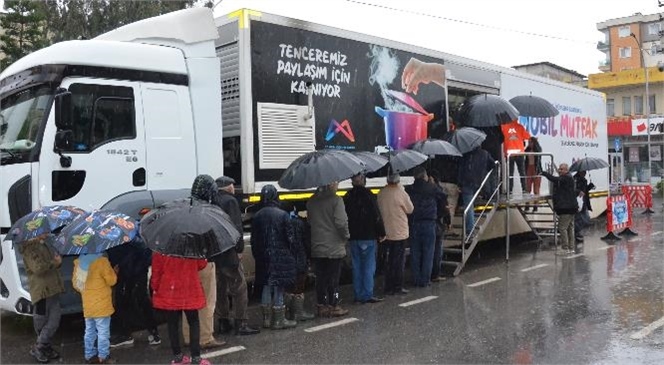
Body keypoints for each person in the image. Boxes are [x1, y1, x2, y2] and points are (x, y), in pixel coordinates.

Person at [211, 176, 260, 336]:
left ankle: (223, 321)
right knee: (239, 287)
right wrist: (239, 249)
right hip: (229, 251)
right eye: (232, 184)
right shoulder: (230, 202)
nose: (234, 187)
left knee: (221, 288)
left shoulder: (212, 200)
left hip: (216, 252)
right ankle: (241, 322)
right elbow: (236, 226)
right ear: (227, 187)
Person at [183, 175, 226, 349]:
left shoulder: (185, 208)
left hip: (186, 261)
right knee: (207, 301)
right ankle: (206, 337)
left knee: (188, 302)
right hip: (204, 261)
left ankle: (188, 336)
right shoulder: (208, 210)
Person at [251, 184, 298, 329]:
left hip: (263, 256)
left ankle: (266, 318)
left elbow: (254, 240)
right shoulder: (282, 214)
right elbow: (290, 238)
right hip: (280, 256)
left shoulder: (257, 216)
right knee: (278, 286)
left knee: (266, 284)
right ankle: (278, 319)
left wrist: (257, 254)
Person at [151, 252, 210, 365]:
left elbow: (156, 270)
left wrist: (155, 287)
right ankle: (196, 357)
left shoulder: (161, 248)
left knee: (172, 324)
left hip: (170, 290)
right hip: (189, 288)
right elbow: (201, 265)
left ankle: (178, 357)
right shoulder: (191, 245)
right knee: (193, 322)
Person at [108, 235, 161, 348]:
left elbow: (117, 255)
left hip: (127, 270)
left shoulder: (113, 236)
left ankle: (125, 334)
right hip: (138, 269)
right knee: (140, 300)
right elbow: (145, 251)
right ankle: (153, 332)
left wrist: (117, 264)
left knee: (124, 302)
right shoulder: (133, 230)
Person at [18, 234, 65, 364]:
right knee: (42, 321)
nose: (47, 231)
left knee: (55, 319)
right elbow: (37, 268)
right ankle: (39, 347)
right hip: (42, 291)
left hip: (53, 288)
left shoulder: (45, 243)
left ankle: (45, 346)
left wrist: (57, 261)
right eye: (44, 230)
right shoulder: (29, 248)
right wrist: (54, 263)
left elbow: (52, 264)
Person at [307, 182, 350, 317]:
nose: (337, 185)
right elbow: (341, 222)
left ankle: (321, 305)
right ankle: (334, 305)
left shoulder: (311, 202)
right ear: (330, 184)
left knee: (321, 278)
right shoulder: (336, 201)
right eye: (336, 182)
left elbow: (310, 221)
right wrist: (346, 236)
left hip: (318, 246)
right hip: (333, 247)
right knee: (334, 279)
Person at [343, 173, 386, 304]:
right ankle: (367, 294)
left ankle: (358, 295)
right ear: (362, 180)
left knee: (356, 266)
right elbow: (376, 216)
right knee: (368, 266)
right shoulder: (369, 195)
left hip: (354, 237)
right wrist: (381, 232)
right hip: (368, 236)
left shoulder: (347, 197)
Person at [72, 252, 118, 364]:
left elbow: (77, 285)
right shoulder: (102, 261)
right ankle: (103, 355)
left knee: (89, 330)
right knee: (103, 331)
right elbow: (112, 281)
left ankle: (89, 354)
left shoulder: (80, 262)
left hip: (88, 305)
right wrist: (114, 272)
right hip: (102, 305)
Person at [406, 166, 447, 287]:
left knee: (415, 252)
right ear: (425, 176)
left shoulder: (410, 189)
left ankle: (416, 278)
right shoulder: (432, 188)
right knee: (428, 252)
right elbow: (443, 198)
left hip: (414, 223)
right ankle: (425, 280)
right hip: (429, 223)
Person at [377, 173, 414, 295]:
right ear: (398, 181)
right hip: (399, 232)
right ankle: (397, 286)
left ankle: (388, 286)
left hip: (386, 232)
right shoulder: (400, 192)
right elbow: (410, 209)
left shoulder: (381, 193)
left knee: (388, 260)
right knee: (398, 261)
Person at [541, 163, 579, 255]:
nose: (559, 170)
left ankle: (565, 248)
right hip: (571, 207)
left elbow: (555, 179)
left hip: (566, 208)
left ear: (566, 170)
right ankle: (571, 248)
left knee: (562, 228)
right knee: (570, 228)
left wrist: (545, 173)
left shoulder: (566, 178)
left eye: (562, 169)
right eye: (559, 169)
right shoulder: (569, 178)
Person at [458, 148, 496, 236]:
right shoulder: (485, 153)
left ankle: (470, 230)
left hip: (466, 182)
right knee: (471, 205)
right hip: (478, 182)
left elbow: (461, 168)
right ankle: (470, 230)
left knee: (468, 206)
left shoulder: (466, 154)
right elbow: (493, 165)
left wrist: (459, 182)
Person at [428, 171, 451, 282]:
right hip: (437, 223)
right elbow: (445, 208)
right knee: (437, 250)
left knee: (428, 251)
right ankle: (435, 274)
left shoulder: (426, 190)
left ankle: (426, 274)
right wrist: (448, 221)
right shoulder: (438, 191)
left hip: (428, 222)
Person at [501, 120, 531, 195]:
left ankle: (510, 190)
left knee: (510, 173)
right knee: (522, 172)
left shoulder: (503, 126)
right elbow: (527, 136)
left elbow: (500, 137)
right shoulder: (520, 127)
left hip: (509, 154)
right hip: (520, 153)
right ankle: (524, 189)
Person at [574, 170, 595, 243]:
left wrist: (589, 186)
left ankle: (577, 233)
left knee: (583, 218)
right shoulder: (577, 180)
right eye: (583, 172)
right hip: (579, 202)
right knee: (582, 219)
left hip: (583, 201)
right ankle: (576, 233)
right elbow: (579, 190)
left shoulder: (581, 180)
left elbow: (584, 190)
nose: (585, 173)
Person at [524, 136, 543, 211]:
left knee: (536, 189)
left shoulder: (538, 149)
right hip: (529, 168)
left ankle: (535, 205)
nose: (529, 144)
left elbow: (539, 157)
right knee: (528, 188)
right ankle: (527, 204)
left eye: (530, 142)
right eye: (529, 142)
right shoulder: (527, 150)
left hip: (536, 169)